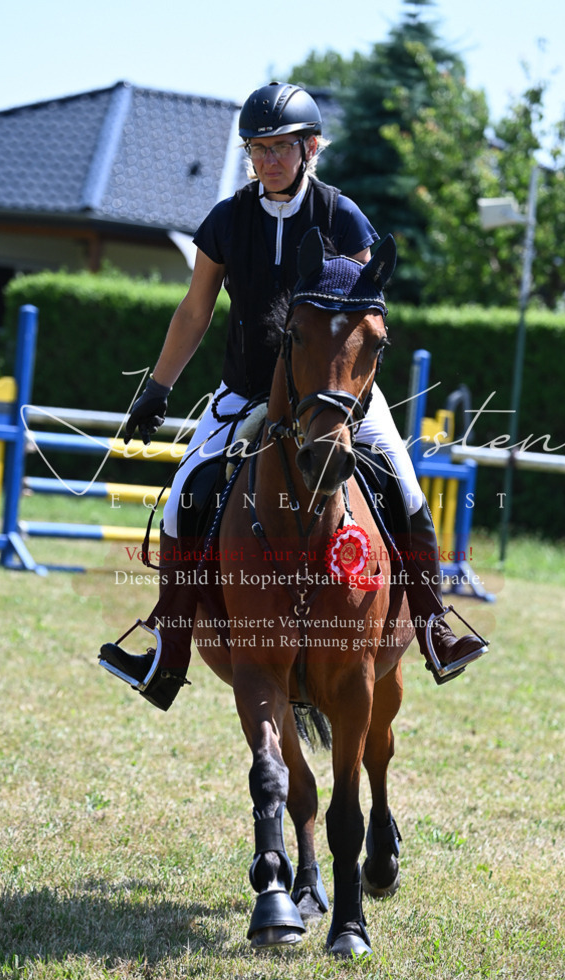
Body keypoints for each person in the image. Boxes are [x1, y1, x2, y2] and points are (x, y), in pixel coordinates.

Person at [99, 82, 486, 709]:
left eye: (280, 147)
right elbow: (195, 310)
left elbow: (364, 315)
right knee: (183, 498)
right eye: (257, 149)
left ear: (310, 148)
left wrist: (346, 392)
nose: (268, 160)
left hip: (334, 398)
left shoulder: (342, 217)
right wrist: (158, 386)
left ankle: (434, 627)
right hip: (244, 392)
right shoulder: (227, 220)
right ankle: (168, 651)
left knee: (408, 491)